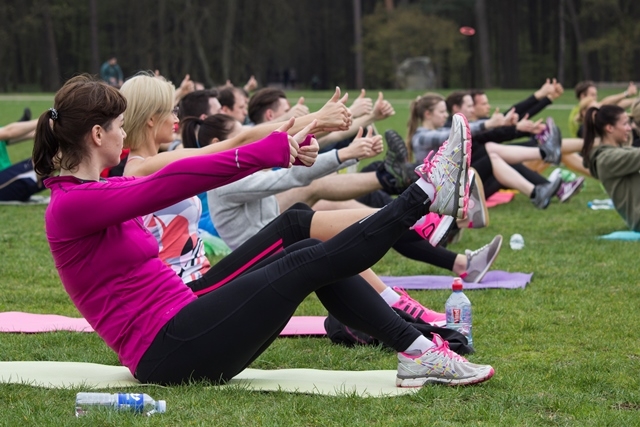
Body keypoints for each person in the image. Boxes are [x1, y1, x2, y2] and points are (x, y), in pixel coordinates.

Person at [33, 74, 494, 387]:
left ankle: (417, 349)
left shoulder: (100, 185)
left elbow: (216, 153)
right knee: (304, 259)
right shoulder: (75, 204)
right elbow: (181, 178)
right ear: (97, 135)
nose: (123, 135)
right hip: (169, 351)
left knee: (303, 238)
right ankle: (422, 197)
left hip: (186, 316)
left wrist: (294, 135)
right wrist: (277, 149)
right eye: (117, 127)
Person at [582, 104, 639, 231]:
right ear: (609, 128)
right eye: (625, 124)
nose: (629, 128)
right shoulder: (607, 159)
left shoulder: (617, 152)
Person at [0, 118, 42, 201]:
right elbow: (9, 132)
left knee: (52, 159)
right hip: (3, 183)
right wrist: (48, 117)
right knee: (49, 161)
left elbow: (31, 134)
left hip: (7, 179)